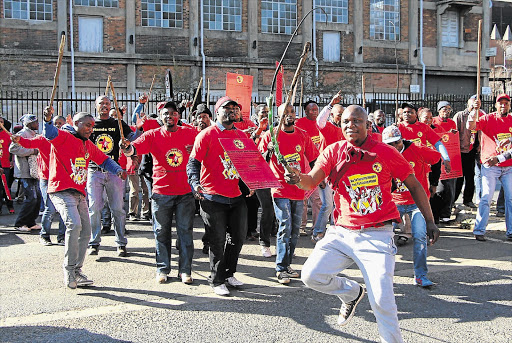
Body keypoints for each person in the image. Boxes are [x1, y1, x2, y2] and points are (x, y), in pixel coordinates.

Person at [286, 105, 440, 343]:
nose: (350, 125)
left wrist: (430, 220)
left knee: (382, 300)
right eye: (346, 121)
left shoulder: (385, 151)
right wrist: (298, 178)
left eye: (356, 121)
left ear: (368, 125)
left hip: (377, 234)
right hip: (341, 233)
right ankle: (351, 292)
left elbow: (415, 184)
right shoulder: (332, 151)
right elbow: (311, 181)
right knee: (311, 276)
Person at [33, 107, 126, 289]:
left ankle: (77, 270)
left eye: (92, 126)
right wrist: (47, 119)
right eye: (87, 125)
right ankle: (69, 270)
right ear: (76, 124)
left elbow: (104, 160)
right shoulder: (64, 137)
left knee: (85, 231)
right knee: (74, 224)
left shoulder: (87, 145)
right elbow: (50, 133)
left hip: (78, 193)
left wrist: (118, 170)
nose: (91, 129)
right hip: (60, 190)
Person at [123, 101, 197, 284]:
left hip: (185, 193)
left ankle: (185, 271)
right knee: (161, 232)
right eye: (165, 114)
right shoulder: (152, 135)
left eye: (173, 113)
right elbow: (134, 148)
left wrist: (194, 150)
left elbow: (206, 146)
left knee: (185, 233)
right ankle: (162, 268)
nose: (169, 116)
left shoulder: (190, 133)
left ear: (178, 116)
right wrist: (127, 148)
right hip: (161, 193)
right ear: (160, 117)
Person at [187, 96, 249, 296]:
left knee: (238, 239)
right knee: (217, 241)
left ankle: (229, 273)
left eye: (235, 108)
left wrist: (254, 181)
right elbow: (193, 163)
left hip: (236, 197)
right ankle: (216, 279)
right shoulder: (206, 135)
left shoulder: (242, 136)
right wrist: (195, 184)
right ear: (217, 112)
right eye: (227, 107)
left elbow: (249, 164)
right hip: (212, 197)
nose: (231, 110)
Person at [258, 103, 319, 284]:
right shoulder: (271, 135)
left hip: (298, 188)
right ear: (278, 115)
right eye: (285, 112)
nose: (289, 115)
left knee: (294, 230)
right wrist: (269, 150)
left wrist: (313, 178)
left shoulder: (302, 135)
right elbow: (260, 160)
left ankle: (288, 263)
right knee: (285, 226)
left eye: (292, 111)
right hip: (280, 189)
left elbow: (315, 159)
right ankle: (281, 268)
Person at [382, 125, 441, 287]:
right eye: (389, 144)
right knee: (383, 238)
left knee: (420, 236)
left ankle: (420, 275)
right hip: (394, 202)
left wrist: (433, 183)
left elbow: (437, 158)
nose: (394, 147)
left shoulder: (417, 149)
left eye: (396, 143)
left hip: (417, 203)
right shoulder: (384, 154)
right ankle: (383, 275)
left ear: (402, 140)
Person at [86, 95, 143, 257]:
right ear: (95, 106)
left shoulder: (117, 123)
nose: (104, 106)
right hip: (94, 171)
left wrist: (139, 129)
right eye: (101, 103)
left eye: (107, 103)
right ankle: (94, 242)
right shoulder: (90, 124)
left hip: (114, 171)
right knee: (94, 208)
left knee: (118, 209)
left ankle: (121, 243)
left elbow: (134, 139)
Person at [467, 94, 512, 241]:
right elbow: (471, 126)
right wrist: (474, 110)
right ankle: (479, 230)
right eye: (501, 103)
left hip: (508, 166)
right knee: (486, 198)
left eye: (506, 103)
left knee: (510, 199)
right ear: (495, 105)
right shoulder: (488, 118)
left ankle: (510, 231)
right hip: (489, 165)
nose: (503, 106)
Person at [16, 116, 67, 246]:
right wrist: (18, 140)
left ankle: (62, 237)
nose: (58, 126)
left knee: (63, 210)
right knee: (49, 208)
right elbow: (27, 143)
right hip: (46, 177)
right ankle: (44, 236)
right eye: (55, 124)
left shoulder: (66, 138)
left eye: (61, 124)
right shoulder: (42, 138)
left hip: (62, 178)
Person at [315, 92, 344, 242]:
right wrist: (330, 105)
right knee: (327, 205)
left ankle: (335, 231)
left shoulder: (344, 131)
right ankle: (318, 232)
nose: (341, 117)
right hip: (325, 172)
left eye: (343, 115)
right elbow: (319, 121)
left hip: (340, 173)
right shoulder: (326, 127)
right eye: (338, 114)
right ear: (332, 115)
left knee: (338, 204)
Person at [251, 104, 276, 257]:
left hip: (275, 175)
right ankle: (263, 242)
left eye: (268, 112)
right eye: (263, 112)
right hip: (259, 174)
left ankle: (280, 240)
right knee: (266, 208)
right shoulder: (254, 129)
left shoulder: (274, 131)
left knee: (274, 209)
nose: (265, 115)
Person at [9, 114, 42, 232]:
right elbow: (13, 149)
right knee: (31, 198)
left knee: (37, 198)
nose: (37, 123)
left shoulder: (34, 134)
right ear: (28, 123)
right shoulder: (22, 134)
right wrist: (32, 151)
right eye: (35, 122)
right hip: (25, 171)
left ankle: (30, 222)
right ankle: (20, 223)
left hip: (34, 171)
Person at [295, 100, 322, 236]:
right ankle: (301, 225)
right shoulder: (299, 124)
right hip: (303, 165)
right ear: (305, 112)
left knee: (317, 199)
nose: (314, 112)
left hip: (318, 164)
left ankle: (317, 227)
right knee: (303, 198)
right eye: (311, 110)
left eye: (316, 109)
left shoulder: (322, 124)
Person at [430, 101, 457, 223]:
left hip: (449, 158)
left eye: (449, 109)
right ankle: (434, 215)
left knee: (449, 188)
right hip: (433, 160)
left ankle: (446, 214)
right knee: (437, 189)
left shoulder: (452, 123)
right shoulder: (434, 123)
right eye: (444, 108)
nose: (446, 111)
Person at [453, 96, 480, 209]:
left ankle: (468, 200)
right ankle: (453, 200)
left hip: (472, 149)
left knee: (470, 176)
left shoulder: (480, 114)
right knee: (459, 177)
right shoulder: (460, 116)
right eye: (472, 104)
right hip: (460, 150)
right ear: (468, 104)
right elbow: (454, 132)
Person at [0, 117, 14, 214]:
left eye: (1, 122)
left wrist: (12, 161)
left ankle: (10, 205)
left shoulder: (8, 135)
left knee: (6, 186)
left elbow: (12, 150)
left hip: (5, 164)